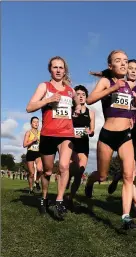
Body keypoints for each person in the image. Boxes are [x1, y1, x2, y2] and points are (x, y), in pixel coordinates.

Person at [90, 58, 136, 214]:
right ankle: (130, 196)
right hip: (118, 129)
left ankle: (133, 203)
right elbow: (107, 82)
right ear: (126, 70)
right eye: (131, 68)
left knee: (131, 171)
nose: (133, 71)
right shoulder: (121, 85)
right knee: (122, 172)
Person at [85, 50, 136, 230]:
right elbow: (90, 100)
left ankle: (125, 217)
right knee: (102, 175)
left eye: (125, 60)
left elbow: (126, 106)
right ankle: (90, 181)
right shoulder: (106, 82)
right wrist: (112, 88)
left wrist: (132, 117)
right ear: (110, 65)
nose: (123, 64)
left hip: (125, 136)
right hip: (107, 135)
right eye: (118, 61)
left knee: (128, 176)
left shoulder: (129, 86)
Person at [26, 56, 81, 220]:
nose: (58, 70)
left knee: (64, 166)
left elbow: (76, 100)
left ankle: (59, 201)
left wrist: (77, 107)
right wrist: (48, 99)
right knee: (47, 171)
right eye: (55, 67)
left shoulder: (70, 89)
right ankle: (44, 197)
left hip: (66, 134)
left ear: (65, 70)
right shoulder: (45, 86)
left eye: (61, 68)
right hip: (48, 134)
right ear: (50, 69)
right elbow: (29, 107)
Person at [66, 85, 95, 210]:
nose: (81, 96)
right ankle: (66, 183)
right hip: (71, 144)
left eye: (83, 94)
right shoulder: (70, 110)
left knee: (80, 172)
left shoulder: (91, 113)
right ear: (74, 97)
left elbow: (93, 130)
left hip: (84, 144)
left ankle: (70, 198)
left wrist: (90, 132)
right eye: (78, 94)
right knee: (71, 170)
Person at [23, 116, 43, 194]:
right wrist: (32, 140)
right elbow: (24, 145)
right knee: (31, 173)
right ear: (31, 123)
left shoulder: (40, 133)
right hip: (30, 153)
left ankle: (37, 181)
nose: (36, 123)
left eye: (37, 122)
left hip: (38, 153)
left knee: (40, 169)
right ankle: (31, 189)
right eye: (34, 122)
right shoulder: (28, 132)